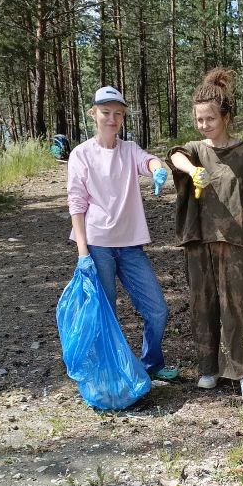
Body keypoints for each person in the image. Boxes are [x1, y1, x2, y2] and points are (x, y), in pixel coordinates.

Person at [168, 68, 243, 402]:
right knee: (202, 304)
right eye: (199, 119)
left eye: (210, 119)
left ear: (226, 116)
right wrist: (192, 171)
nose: (204, 125)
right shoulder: (194, 150)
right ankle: (208, 368)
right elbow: (175, 155)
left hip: (236, 241)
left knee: (237, 307)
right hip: (198, 239)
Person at [66, 85, 178, 381]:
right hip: (97, 245)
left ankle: (151, 363)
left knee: (157, 310)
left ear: (123, 117)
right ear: (93, 114)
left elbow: (148, 160)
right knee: (106, 314)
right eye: (106, 113)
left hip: (130, 246)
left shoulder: (129, 150)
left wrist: (157, 169)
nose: (112, 119)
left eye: (118, 114)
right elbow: (76, 203)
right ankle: (110, 376)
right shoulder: (81, 154)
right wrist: (82, 253)